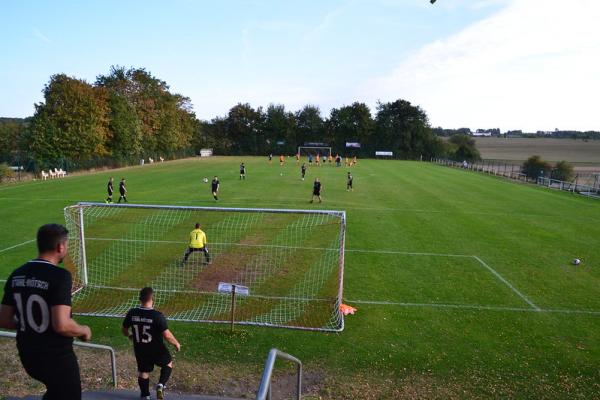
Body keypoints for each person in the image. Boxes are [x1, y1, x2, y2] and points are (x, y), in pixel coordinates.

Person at [0, 224, 92, 400]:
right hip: (56, 357)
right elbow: (62, 325)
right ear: (60, 247)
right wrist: (84, 330)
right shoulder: (60, 276)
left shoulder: (17, 274)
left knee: (55, 393)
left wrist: (31, 320)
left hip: (28, 355)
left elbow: (3, 320)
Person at [123, 287, 181, 400]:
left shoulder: (132, 313)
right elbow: (167, 336)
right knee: (168, 363)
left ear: (140, 299)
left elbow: (124, 329)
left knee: (143, 372)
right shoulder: (157, 316)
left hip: (140, 349)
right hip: (157, 350)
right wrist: (176, 344)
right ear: (152, 299)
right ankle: (160, 385)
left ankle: (145, 396)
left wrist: (130, 335)